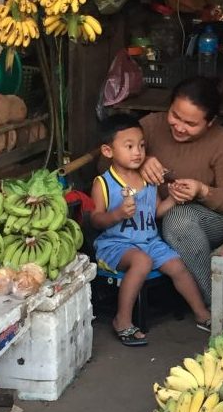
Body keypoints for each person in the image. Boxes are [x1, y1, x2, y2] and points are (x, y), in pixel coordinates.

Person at [90, 115, 210, 347]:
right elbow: (96, 219)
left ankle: (202, 314)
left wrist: (174, 198)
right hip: (116, 245)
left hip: (149, 241)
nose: (138, 152)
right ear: (108, 151)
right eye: (129, 146)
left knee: (177, 265)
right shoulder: (103, 183)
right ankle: (122, 320)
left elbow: (155, 212)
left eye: (142, 145)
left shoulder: (148, 180)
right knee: (142, 261)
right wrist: (117, 214)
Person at [139, 77, 223, 307]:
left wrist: (202, 190)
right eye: (175, 116)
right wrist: (141, 161)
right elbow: (104, 162)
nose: (179, 127)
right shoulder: (151, 126)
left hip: (211, 219)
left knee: (178, 220)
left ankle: (213, 305)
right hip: (152, 214)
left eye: (190, 123)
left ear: (210, 122)